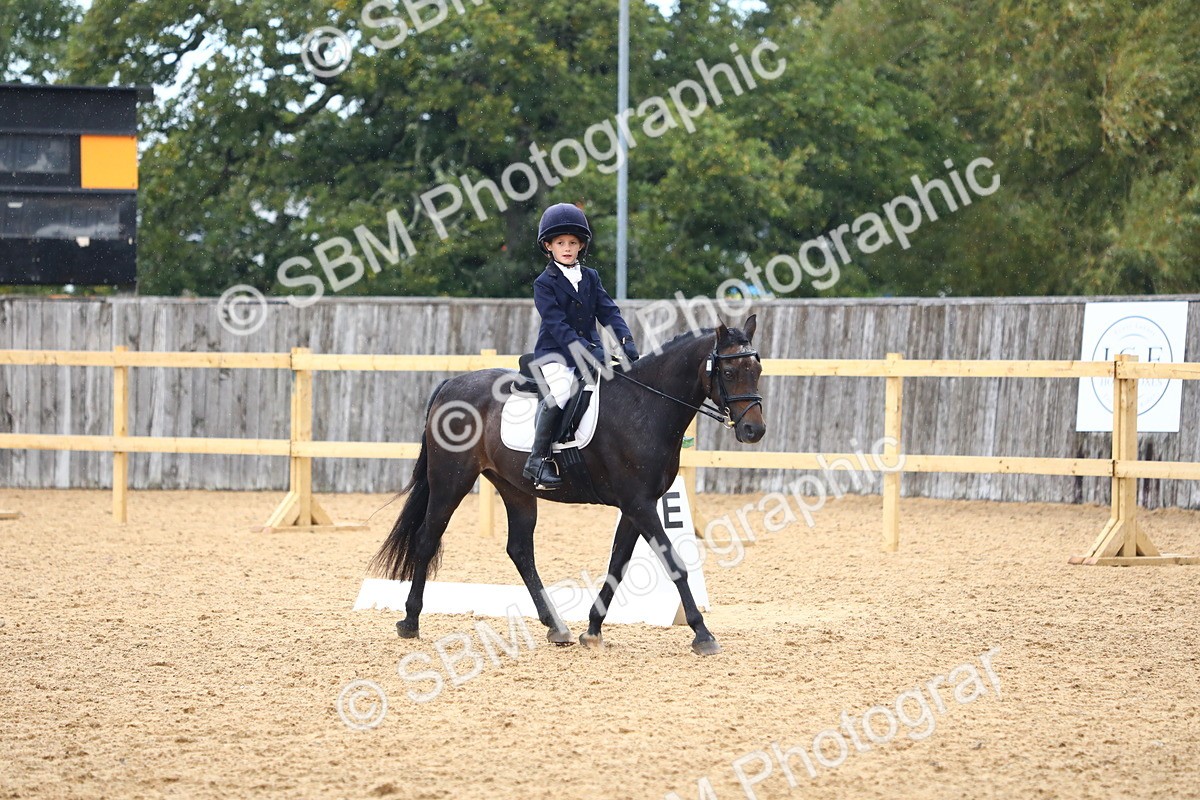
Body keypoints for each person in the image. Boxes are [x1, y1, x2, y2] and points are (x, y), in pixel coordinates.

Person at [522, 203, 640, 490]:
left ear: (581, 246)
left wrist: (625, 341)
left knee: (624, 385)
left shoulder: (591, 277)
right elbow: (557, 325)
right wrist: (586, 350)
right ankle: (537, 460)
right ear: (548, 246)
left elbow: (608, 311)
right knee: (561, 393)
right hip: (557, 356)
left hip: (593, 352)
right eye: (560, 242)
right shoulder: (543, 283)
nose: (566, 248)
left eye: (572, 243)